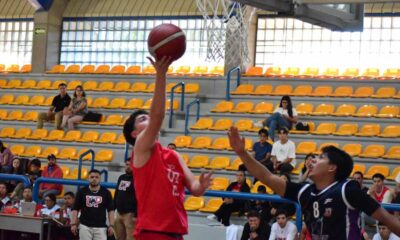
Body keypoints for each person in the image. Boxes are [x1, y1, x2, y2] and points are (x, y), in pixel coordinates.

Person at [227, 126, 400, 239]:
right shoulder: (305, 191)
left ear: (332, 168)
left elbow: (387, 218)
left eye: (320, 158)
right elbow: (267, 177)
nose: (313, 161)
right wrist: (242, 154)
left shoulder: (347, 190)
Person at [122, 56, 213, 240]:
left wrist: (201, 185)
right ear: (134, 134)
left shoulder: (173, 155)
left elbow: (194, 188)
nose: (148, 120)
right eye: (142, 119)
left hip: (176, 232)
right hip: (152, 232)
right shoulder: (140, 148)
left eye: (147, 117)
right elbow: (157, 116)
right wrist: (161, 74)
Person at [71, 169, 115, 240]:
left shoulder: (106, 193)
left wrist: (111, 225)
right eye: (92, 177)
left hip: (101, 227)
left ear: (100, 179)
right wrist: (73, 224)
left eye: (96, 177)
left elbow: (111, 210)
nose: (94, 179)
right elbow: (75, 208)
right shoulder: (81, 192)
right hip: (84, 226)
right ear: (88, 178)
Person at [114, 161, 137, 240]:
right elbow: (117, 192)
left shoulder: (138, 178)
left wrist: (136, 214)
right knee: (119, 237)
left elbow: (140, 197)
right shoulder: (121, 177)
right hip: (119, 212)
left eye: (130, 164)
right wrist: (113, 208)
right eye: (126, 164)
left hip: (130, 214)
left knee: (130, 238)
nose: (128, 166)